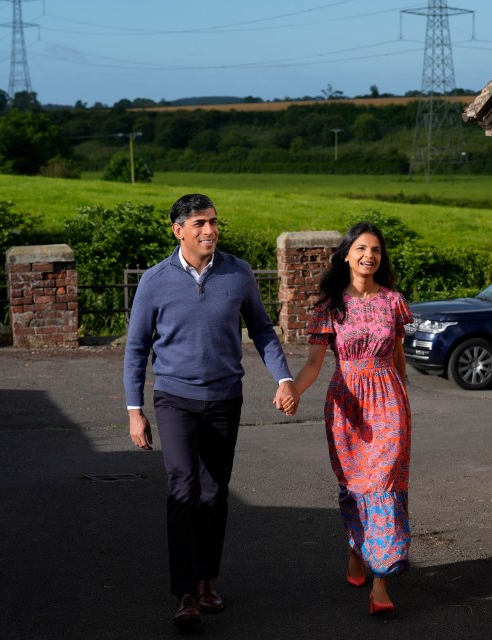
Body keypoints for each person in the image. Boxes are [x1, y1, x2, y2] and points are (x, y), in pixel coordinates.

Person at [123, 193, 297, 626]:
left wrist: (284, 378)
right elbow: (136, 348)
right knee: (182, 488)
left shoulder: (237, 273)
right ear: (178, 229)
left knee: (215, 492)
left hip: (224, 399)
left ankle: (206, 580)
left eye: (214, 222)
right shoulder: (155, 280)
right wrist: (134, 409)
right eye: (199, 223)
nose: (210, 230)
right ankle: (183, 592)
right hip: (175, 398)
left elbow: (261, 329)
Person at [290, 222, 413, 615]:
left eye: (376, 250)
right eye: (361, 248)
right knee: (355, 485)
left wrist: (403, 399)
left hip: (389, 405)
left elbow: (397, 358)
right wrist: (292, 390)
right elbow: (313, 364)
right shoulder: (330, 306)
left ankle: (381, 582)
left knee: (385, 486)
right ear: (347, 254)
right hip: (346, 405)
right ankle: (357, 549)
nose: (369, 256)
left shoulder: (393, 301)